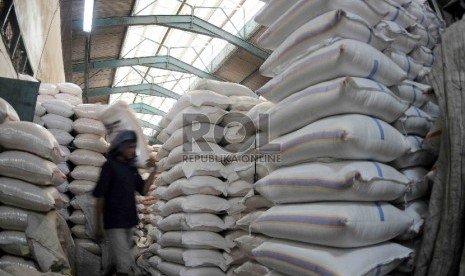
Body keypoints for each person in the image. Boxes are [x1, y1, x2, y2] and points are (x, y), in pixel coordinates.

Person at [93, 130, 157, 276]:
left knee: (118, 263)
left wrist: (153, 171)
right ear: (121, 146)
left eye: (134, 147)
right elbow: (100, 196)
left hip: (129, 221)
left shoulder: (131, 168)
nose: (132, 150)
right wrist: (98, 225)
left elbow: (144, 190)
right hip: (114, 223)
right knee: (124, 266)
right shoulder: (109, 166)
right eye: (130, 147)